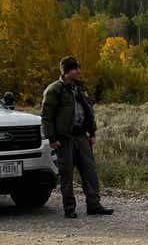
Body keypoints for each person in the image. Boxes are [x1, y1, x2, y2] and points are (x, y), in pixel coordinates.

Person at [41, 56, 114, 219]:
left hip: (82, 136)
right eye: (75, 69)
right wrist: (51, 138)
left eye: (78, 68)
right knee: (66, 173)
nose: (78, 71)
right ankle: (69, 208)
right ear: (66, 71)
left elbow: (89, 110)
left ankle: (94, 205)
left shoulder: (80, 88)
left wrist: (92, 132)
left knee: (90, 171)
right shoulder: (54, 90)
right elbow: (46, 116)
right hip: (64, 138)